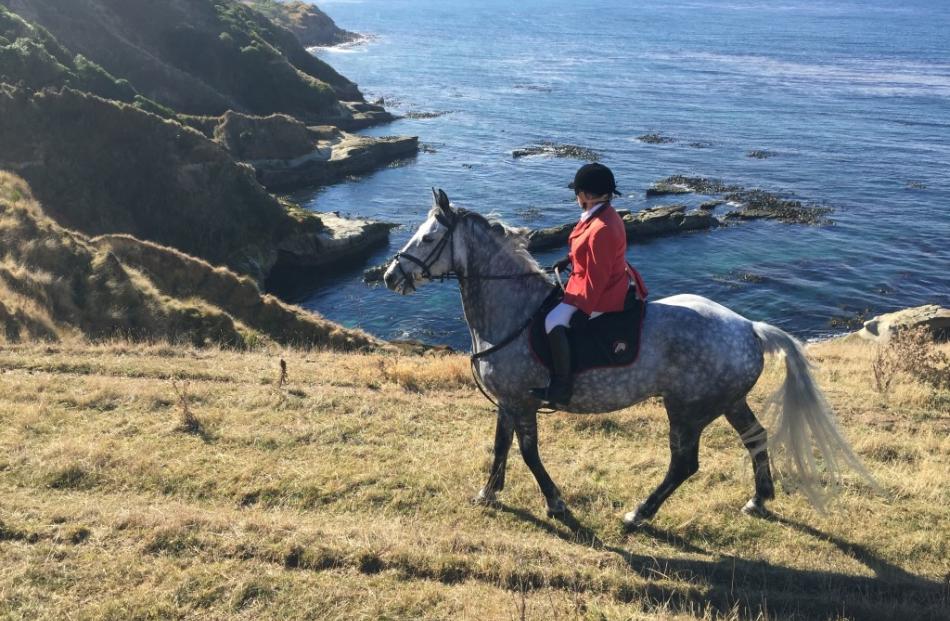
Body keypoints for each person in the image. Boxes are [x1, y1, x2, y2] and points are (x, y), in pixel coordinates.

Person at [530, 163, 648, 407]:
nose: (576, 196)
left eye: (577, 192)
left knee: (553, 320)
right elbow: (590, 253)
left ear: (586, 195)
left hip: (603, 292)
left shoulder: (601, 228)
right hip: (593, 281)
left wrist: (584, 311)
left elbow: (598, 277)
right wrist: (570, 259)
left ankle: (562, 387)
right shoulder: (599, 215)